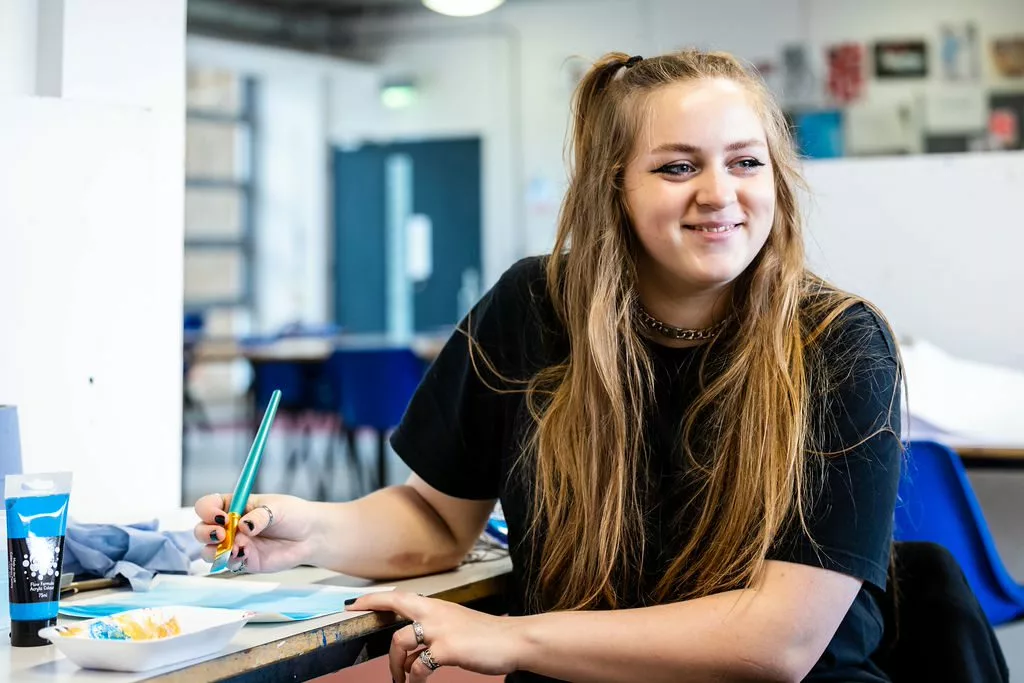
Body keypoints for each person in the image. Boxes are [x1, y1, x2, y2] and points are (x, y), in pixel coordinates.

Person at [195, 48, 903, 683]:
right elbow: (436, 518)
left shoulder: (838, 344)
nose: (718, 192)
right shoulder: (532, 305)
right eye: (677, 166)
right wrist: (306, 529)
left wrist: (512, 639)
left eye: (746, 162)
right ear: (613, 186)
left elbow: (774, 642)